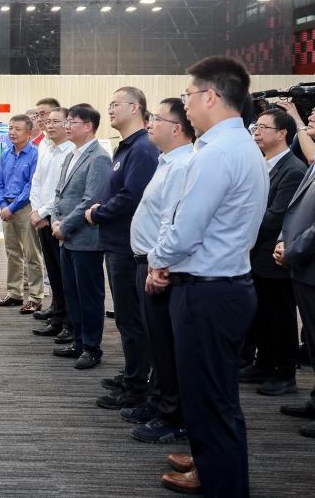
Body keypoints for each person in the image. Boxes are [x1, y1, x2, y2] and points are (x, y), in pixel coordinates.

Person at [148, 57, 267, 496]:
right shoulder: (237, 148)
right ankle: (213, 471)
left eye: (188, 97)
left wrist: (159, 260)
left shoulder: (218, 153)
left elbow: (187, 227)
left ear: (211, 97)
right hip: (222, 287)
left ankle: (223, 485)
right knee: (210, 399)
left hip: (208, 292)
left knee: (212, 402)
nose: (187, 106)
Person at [124, 98, 195, 444]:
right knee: (157, 342)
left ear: (177, 128)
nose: (150, 123)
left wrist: (158, 264)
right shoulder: (167, 162)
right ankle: (157, 402)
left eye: (157, 118)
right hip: (148, 262)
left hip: (158, 266)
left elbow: (173, 222)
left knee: (166, 346)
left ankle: (172, 415)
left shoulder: (183, 166)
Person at [86, 88, 159, 411]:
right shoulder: (127, 148)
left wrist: (98, 212)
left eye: (115, 104)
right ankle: (133, 373)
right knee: (128, 320)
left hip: (129, 246)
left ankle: (136, 387)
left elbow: (132, 197)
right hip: (117, 243)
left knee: (132, 321)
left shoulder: (142, 149)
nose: (110, 110)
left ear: (135, 107)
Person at [241, 109, 306, 396]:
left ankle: (285, 372)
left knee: (280, 316)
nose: (256, 132)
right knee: (261, 314)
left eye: (264, 127)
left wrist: (241, 227)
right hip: (257, 255)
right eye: (256, 126)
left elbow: (276, 216)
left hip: (273, 255)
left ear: (282, 134)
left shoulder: (292, 170)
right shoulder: (263, 163)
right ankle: (263, 363)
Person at [51, 104, 111, 370]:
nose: (67, 126)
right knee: (71, 292)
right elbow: (59, 194)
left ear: (88, 126)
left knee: (89, 295)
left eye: (72, 122)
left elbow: (92, 199)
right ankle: (78, 340)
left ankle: (92, 347)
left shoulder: (99, 157)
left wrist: (65, 226)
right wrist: (55, 220)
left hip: (85, 238)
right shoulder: (70, 155)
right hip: (66, 236)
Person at [275, 131, 315, 440]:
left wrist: (294, 250)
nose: (310, 117)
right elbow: (295, 211)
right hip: (301, 265)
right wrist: (282, 242)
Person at [30, 107, 75, 338]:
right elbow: (37, 180)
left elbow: (62, 190)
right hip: (41, 215)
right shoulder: (44, 146)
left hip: (57, 218)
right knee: (53, 270)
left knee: (64, 272)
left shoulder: (71, 151)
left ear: (67, 124)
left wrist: (44, 212)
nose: (49, 125)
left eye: (55, 121)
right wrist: (35, 209)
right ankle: (57, 316)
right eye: (47, 121)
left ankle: (68, 321)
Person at [0, 114, 43, 312]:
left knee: (32, 254)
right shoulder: (5, 154)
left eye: (17, 129)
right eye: (10, 128)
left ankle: (36, 297)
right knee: (12, 252)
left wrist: (11, 208)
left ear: (29, 133)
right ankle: (14, 293)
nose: (12, 132)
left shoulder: (35, 154)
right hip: (7, 208)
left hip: (25, 208)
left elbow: (32, 185)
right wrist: (4, 204)